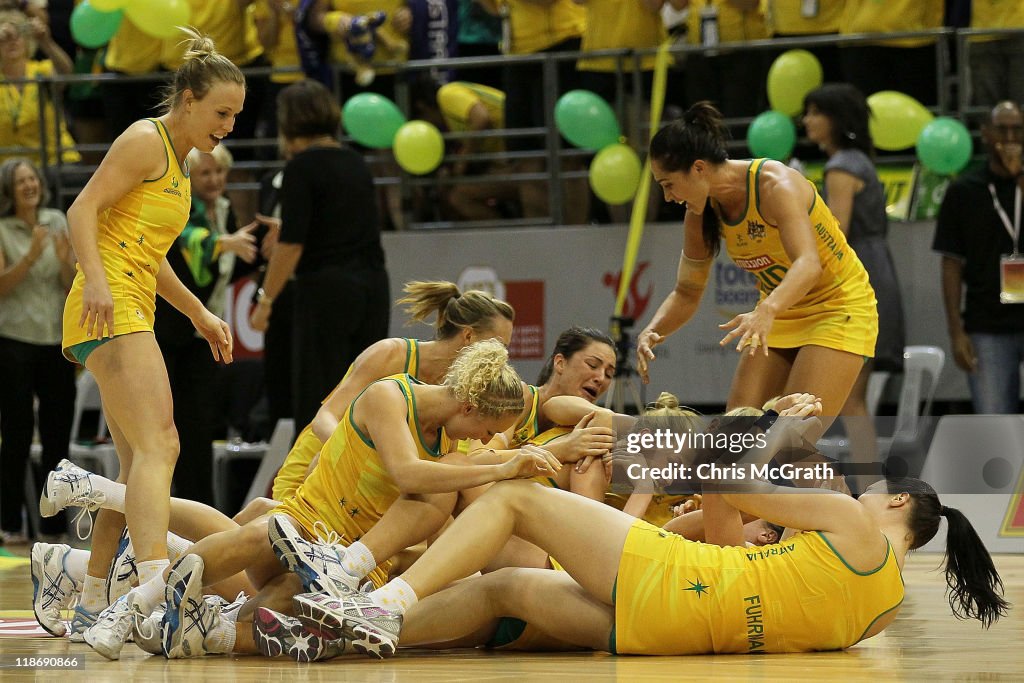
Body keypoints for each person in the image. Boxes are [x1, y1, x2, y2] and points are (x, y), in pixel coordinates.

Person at [290, 471, 1007, 658]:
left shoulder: (856, 520)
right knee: (504, 587)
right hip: (672, 636)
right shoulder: (885, 608)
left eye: (883, 489)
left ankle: (387, 599)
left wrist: (768, 430)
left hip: (677, 579)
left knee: (515, 499)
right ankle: (340, 633)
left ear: (900, 503)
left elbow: (735, 486)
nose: (868, 490)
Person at [156, 340, 559, 659]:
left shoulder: (451, 439)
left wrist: (549, 452)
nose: (484, 440)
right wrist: (502, 468)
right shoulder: (391, 394)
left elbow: (475, 465)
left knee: (288, 596)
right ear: (469, 405)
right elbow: (406, 471)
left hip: (345, 554)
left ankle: (208, 628)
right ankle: (149, 589)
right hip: (310, 519)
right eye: (487, 430)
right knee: (263, 528)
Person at [54, 29, 245, 660]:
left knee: (139, 465)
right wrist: (101, 286)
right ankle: (155, 594)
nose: (228, 125)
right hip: (108, 307)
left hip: (127, 303)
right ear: (187, 101)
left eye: (236, 115)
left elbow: (152, 253)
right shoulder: (145, 139)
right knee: (164, 444)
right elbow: (81, 210)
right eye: (220, 112)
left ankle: (87, 601)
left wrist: (199, 313)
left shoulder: (182, 167)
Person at [637, 102, 878, 421]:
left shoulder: (775, 184)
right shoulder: (698, 214)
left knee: (792, 441)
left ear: (698, 168)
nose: (668, 197)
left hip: (837, 309)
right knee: (737, 436)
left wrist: (767, 309)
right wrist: (653, 329)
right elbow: (687, 291)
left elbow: (807, 264)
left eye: (668, 184)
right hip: (779, 315)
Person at [250, 78, 390, 433]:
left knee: (319, 398)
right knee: (364, 395)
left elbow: (292, 245)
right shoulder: (356, 163)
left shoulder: (300, 167)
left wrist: (266, 301)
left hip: (327, 293)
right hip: (372, 288)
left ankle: (313, 487)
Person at [802, 83, 906, 490]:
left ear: (836, 119)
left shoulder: (842, 166)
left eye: (815, 112)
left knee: (851, 401)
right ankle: (868, 491)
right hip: (874, 270)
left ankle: (869, 493)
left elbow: (835, 236)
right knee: (852, 401)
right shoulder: (858, 159)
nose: (807, 120)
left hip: (858, 278)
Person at [155, 145, 258, 507]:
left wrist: (258, 252)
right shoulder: (180, 210)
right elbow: (182, 265)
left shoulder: (225, 212)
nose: (214, 180)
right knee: (168, 430)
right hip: (169, 334)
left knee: (200, 428)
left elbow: (223, 276)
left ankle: (199, 512)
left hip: (202, 335)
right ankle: (167, 509)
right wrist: (222, 244)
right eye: (205, 174)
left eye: (219, 173)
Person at [0, 157, 75, 544]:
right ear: (9, 192)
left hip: (55, 341)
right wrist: (30, 254)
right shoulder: (2, 230)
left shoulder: (58, 220)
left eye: (33, 178)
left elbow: (68, 282)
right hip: (14, 339)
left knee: (57, 434)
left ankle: (53, 525)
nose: (30, 185)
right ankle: (11, 523)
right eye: (21, 181)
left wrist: (65, 262)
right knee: (16, 434)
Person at [934, 102, 1024, 415]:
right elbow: (951, 264)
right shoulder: (964, 191)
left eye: (1018, 129)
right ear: (985, 134)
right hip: (987, 325)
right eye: (1002, 129)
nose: (1010, 136)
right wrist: (956, 331)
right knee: (995, 421)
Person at [0, 7, 80, 166]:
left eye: (19, 35)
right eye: (5, 38)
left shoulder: (42, 70)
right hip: (8, 168)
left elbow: (67, 73)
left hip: (54, 161)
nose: (13, 41)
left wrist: (46, 42)